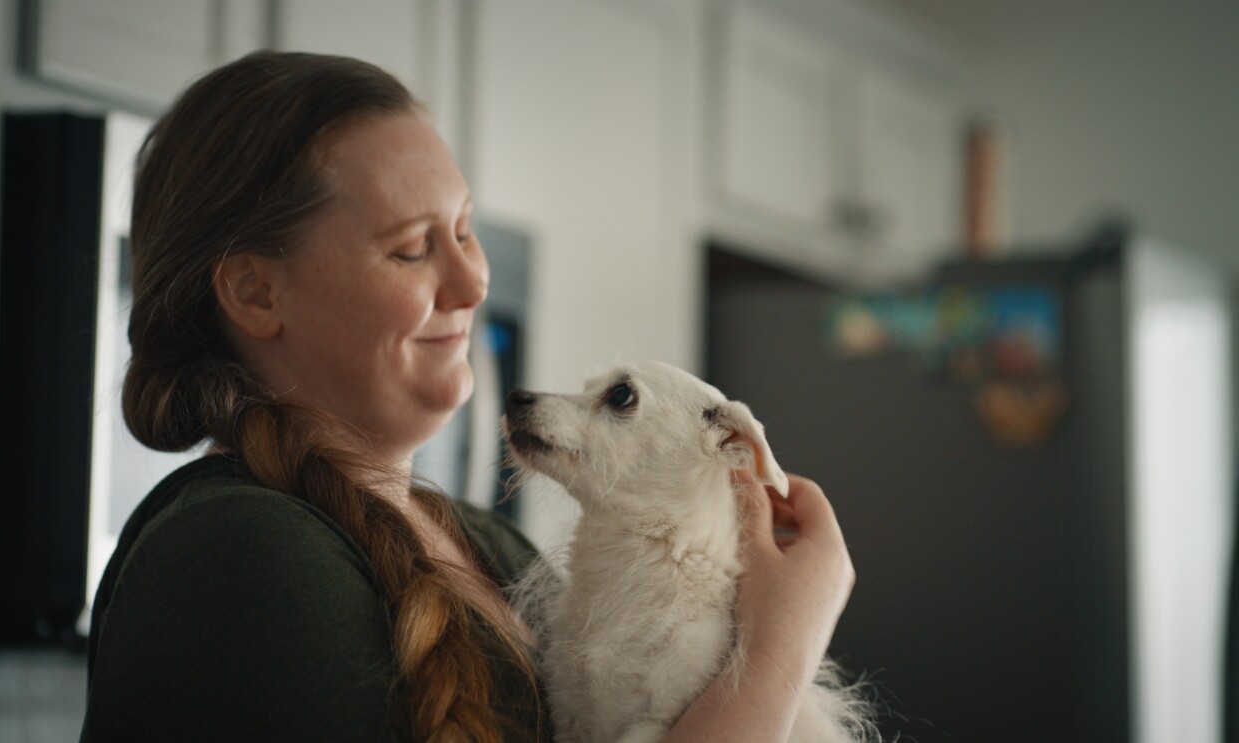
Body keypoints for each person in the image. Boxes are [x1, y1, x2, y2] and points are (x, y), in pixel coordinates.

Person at [79, 50, 856, 743]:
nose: (474, 280)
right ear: (254, 291)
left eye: (465, 230)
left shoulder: (495, 549)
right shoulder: (241, 556)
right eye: (413, 247)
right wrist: (781, 648)